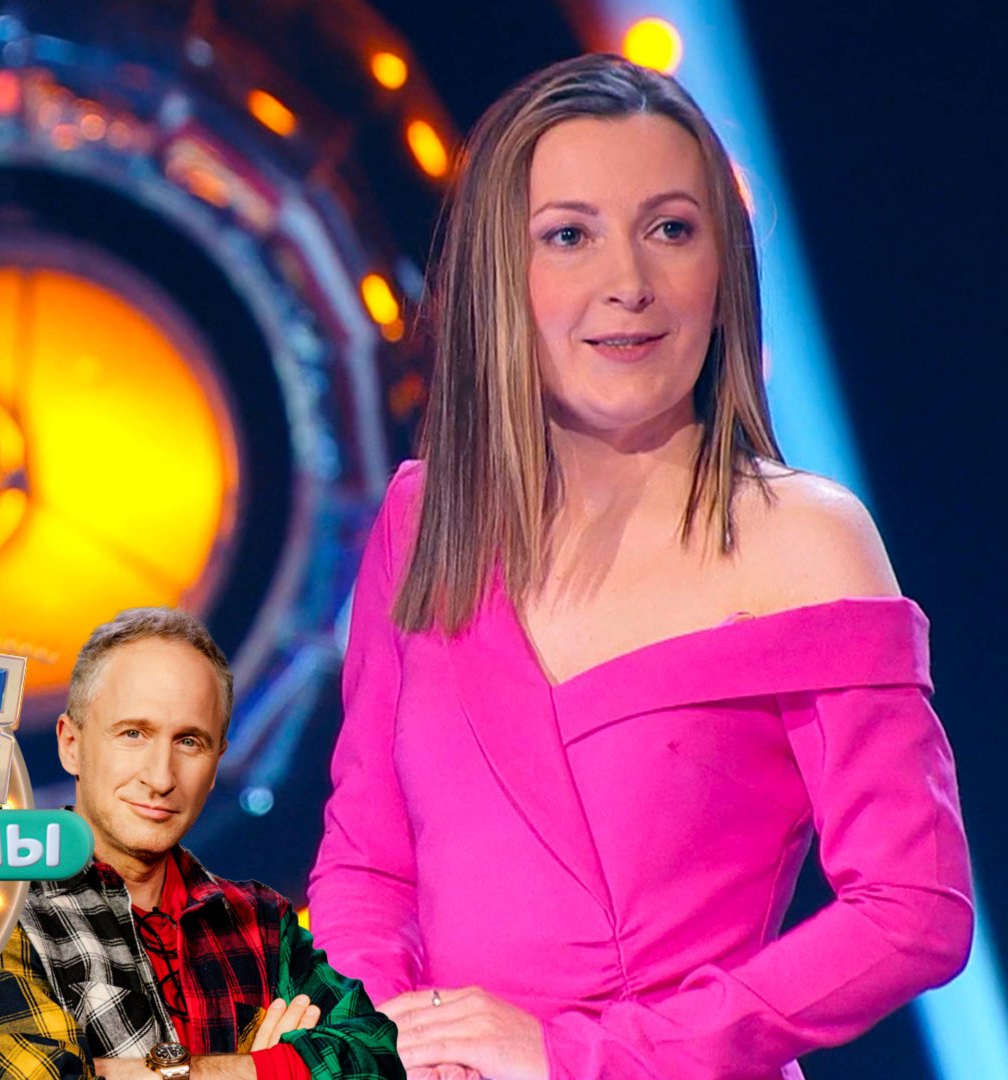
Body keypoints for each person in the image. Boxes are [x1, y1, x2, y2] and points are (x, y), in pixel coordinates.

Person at [307, 53, 973, 1080]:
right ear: (500, 275)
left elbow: (913, 911)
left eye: (670, 230)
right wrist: (385, 1038)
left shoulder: (803, 540)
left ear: (723, 270)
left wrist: (578, 1055)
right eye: (569, 236)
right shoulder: (425, 520)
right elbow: (367, 864)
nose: (628, 283)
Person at [0, 607, 403, 1080]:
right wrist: (267, 1069)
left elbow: (377, 1054)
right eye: (133, 734)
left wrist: (148, 1071)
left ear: (216, 763)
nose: (160, 777)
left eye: (189, 742)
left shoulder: (262, 920)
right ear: (71, 744)